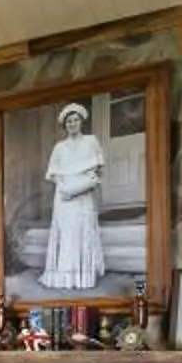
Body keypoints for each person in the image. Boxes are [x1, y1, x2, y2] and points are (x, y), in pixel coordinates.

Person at [38, 101, 105, 291]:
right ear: (65, 125)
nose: (72, 124)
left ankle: (83, 277)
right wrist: (66, 189)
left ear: (81, 122)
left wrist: (80, 186)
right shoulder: (60, 147)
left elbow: (97, 170)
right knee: (67, 233)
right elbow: (55, 174)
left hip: (84, 194)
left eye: (75, 120)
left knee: (82, 231)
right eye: (69, 121)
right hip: (64, 196)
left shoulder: (91, 141)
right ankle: (65, 277)